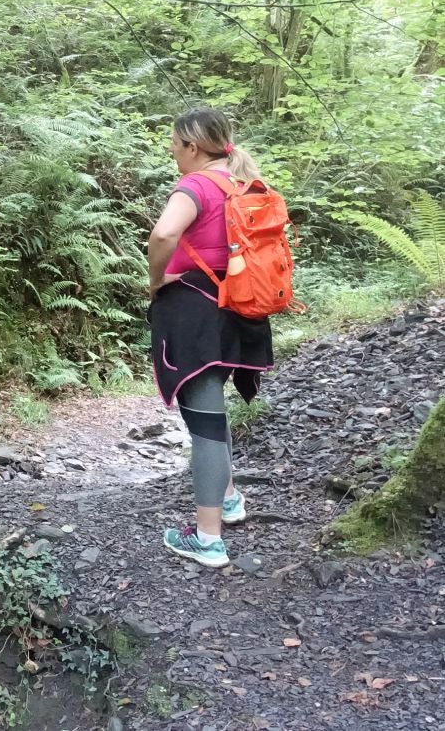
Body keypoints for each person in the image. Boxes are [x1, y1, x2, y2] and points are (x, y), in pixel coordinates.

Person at [147, 107, 275, 568]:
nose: (172, 152)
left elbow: (164, 234)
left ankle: (208, 539)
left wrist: (156, 280)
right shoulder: (243, 183)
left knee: (203, 427)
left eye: (174, 144)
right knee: (213, 414)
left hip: (196, 314)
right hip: (240, 309)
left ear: (193, 146)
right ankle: (230, 499)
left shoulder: (196, 186)